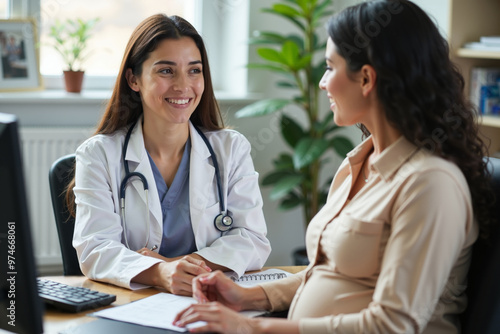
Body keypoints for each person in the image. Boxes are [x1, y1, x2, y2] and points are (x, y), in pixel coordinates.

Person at [173, 0, 494, 332]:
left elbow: (393, 325)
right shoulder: (358, 162)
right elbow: (328, 274)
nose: (323, 83)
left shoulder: (430, 183)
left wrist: (249, 327)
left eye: (329, 67)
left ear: (367, 79)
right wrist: (247, 297)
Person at [69, 14, 271, 295]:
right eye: (166, 71)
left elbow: (252, 239)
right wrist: (162, 274)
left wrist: (175, 267)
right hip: (133, 305)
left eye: (194, 70)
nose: (182, 85)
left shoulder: (231, 149)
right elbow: (95, 248)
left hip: (209, 302)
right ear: (134, 79)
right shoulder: (98, 155)